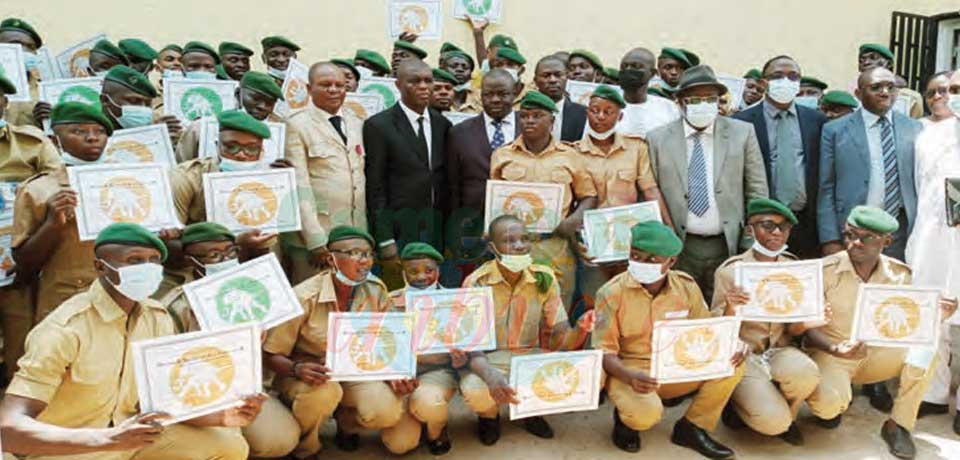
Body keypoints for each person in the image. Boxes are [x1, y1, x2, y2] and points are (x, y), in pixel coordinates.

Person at [0, 222, 263, 460]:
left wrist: (222, 415)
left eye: (153, 261)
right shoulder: (65, 330)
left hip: (130, 440)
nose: (146, 269)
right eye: (134, 260)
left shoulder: (157, 317)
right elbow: (10, 431)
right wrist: (106, 439)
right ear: (100, 267)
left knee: (229, 445)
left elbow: (165, 398)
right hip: (71, 449)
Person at [804, 206, 956, 460]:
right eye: (850, 235)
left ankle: (899, 425)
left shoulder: (900, 275)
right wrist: (834, 348)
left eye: (866, 237)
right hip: (834, 355)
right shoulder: (823, 271)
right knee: (828, 406)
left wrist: (938, 317)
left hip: (881, 356)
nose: (855, 243)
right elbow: (806, 332)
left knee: (926, 351)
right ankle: (836, 403)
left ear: (887, 241)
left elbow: (912, 326)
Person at [263, 225, 421, 457]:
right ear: (330, 259)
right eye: (354, 253)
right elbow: (270, 354)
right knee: (323, 393)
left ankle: (346, 422)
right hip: (311, 377)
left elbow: (389, 339)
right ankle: (307, 446)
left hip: (355, 371)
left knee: (385, 410)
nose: (364, 261)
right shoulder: (303, 296)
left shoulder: (375, 290)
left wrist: (395, 372)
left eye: (367, 254)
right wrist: (297, 369)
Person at [594, 220, 746, 458]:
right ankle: (627, 421)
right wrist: (629, 376)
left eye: (652, 260)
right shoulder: (611, 292)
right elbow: (604, 352)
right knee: (645, 415)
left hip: (677, 365)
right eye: (636, 256)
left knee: (732, 361)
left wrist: (732, 342)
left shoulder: (686, 287)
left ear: (671, 262)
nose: (642, 264)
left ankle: (693, 427)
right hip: (631, 369)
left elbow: (705, 332)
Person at [159, 222, 297, 458]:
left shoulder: (253, 291)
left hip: (243, 387)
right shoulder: (178, 305)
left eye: (231, 252)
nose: (225, 260)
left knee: (280, 440)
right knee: (224, 442)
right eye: (214, 255)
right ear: (193, 261)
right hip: (199, 393)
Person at [459, 214, 594, 445]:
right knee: (474, 389)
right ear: (493, 247)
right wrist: (490, 375)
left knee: (569, 376)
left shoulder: (544, 277)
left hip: (530, 356)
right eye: (509, 241)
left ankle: (532, 412)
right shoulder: (476, 283)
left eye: (524, 239)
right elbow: (471, 345)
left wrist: (581, 329)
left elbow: (560, 335)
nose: (520, 246)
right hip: (491, 359)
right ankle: (489, 417)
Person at [647, 65, 768, 303]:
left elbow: (757, 191)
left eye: (710, 99)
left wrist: (750, 240)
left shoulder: (742, 133)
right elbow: (652, 192)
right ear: (680, 102)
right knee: (682, 308)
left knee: (727, 308)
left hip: (728, 243)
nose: (703, 105)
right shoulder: (658, 139)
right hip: (681, 246)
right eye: (695, 99)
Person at [712, 198, 821, 445]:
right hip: (745, 355)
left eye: (783, 227)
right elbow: (718, 331)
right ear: (750, 230)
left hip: (779, 350)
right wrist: (731, 305)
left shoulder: (794, 268)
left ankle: (787, 413)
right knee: (772, 423)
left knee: (808, 373)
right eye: (767, 225)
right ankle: (737, 404)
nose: (776, 232)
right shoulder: (731, 271)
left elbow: (794, 328)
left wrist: (809, 321)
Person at [11, 102, 128, 322]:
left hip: (124, 294)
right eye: (78, 131)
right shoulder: (38, 189)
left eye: (100, 132)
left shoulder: (131, 182)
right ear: (55, 140)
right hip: (66, 301)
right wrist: (53, 223)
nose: (92, 138)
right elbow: (24, 263)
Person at [489, 91, 599, 310]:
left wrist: (573, 220)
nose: (529, 121)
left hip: (554, 246)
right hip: (513, 248)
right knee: (516, 313)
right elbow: (494, 200)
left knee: (555, 313)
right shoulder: (502, 155)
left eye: (537, 115)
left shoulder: (570, 155)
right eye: (525, 116)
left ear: (552, 120)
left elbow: (589, 196)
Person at [575, 85, 670, 306]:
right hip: (592, 244)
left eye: (608, 111)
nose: (599, 117)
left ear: (620, 116)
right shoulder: (573, 152)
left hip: (630, 242)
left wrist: (667, 226)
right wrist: (576, 241)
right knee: (596, 302)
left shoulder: (636, 148)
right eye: (594, 110)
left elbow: (650, 189)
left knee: (632, 300)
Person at [364, 59, 452, 288]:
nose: (424, 87)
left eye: (428, 81)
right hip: (399, 231)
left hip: (435, 231)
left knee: (432, 295)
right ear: (398, 85)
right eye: (415, 81)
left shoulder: (443, 124)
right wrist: (385, 239)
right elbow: (376, 187)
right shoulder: (379, 126)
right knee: (399, 296)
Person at [818, 66, 919, 261]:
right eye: (876, 87)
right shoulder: (835, 131)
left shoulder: (914, 128)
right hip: (853, 231)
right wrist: (829, 239)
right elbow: (826, 187)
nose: (885, 92)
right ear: (858, 93)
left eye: (891, 87)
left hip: (899, 233)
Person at [907, 70, 960, 430]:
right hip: (931, 238)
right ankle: (934, 393)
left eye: (958, 89)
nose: (951, 95)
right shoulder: (928, 134)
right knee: (933, 316)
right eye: (950, 89)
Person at [733, 55, 827, 259]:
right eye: (777, 76)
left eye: (793, 76)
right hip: (761, 224)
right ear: (763, 82)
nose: (786, 81)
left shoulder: (816, 121)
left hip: (805, 224)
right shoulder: (741, 122)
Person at [0, 71, 61, 382]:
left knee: (20, 352)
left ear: (4, 103)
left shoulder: (31, 144)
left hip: (15, 265)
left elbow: (58, 184)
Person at [284, 62, 368, 283]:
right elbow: (298, 184)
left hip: (355, 232)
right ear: (309, 89)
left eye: (339, 85)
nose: (333, 90)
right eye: (325, 85)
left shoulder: (356, 122)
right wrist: (315, 239)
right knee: (317, 300)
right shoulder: (297, 125)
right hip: (319, 236)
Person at [388, 242, 465, 455]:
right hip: (402, 375)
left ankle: (436, 430)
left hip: (437, 371)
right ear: (403, 272)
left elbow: (468, 340)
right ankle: (418, 418)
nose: (422, 277)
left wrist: (460, 358)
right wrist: (393, 375)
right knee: (399, 444)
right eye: (413, 271)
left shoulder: (455, 301)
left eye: (429, 270)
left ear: (438, 271)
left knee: (428, 403)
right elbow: (382, 346)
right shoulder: (390, 302)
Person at [446, 69, 518, 278]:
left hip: (519, 229)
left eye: (503, 94)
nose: (495, 99)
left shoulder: (530, 127)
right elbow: (453, 186)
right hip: (472, 230)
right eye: (488, 94)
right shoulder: (459, 132)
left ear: (515, 93)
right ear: (480, 94)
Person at [176, 70, 283, 163]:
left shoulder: (278, 135)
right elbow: (183, 166)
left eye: (269, 103)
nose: (262, 107)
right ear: (237, 94)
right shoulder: (201, 128)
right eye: (255, 99)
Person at [616, 47, 680, 139]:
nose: (628, 70)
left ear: (652, 73)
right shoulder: (606, 107)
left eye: (636, 66)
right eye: (624, 66)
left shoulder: (668, 108)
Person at [853, 43, 923, 119]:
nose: (866, 63)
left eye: (873, 58)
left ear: (889, 64)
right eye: (861, 60)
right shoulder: (852, 98)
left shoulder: (911, 99)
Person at [532, 55, 587, 142]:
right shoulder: (525, 113)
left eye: (558, 75)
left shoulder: (583, 114)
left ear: (567, 77)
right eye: (546, 76)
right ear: (535, 80)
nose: (552, 80)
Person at [0, 18, 42, 127]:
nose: (25, 50)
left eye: (30, 47)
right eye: (16, 44)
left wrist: (49, 120)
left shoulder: (44, 89)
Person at [439, 43, 478, 113]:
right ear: (443, 69)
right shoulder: (433, 95)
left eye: (465, 67)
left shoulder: (480, 97)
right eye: (453, 66)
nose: (460, 70)